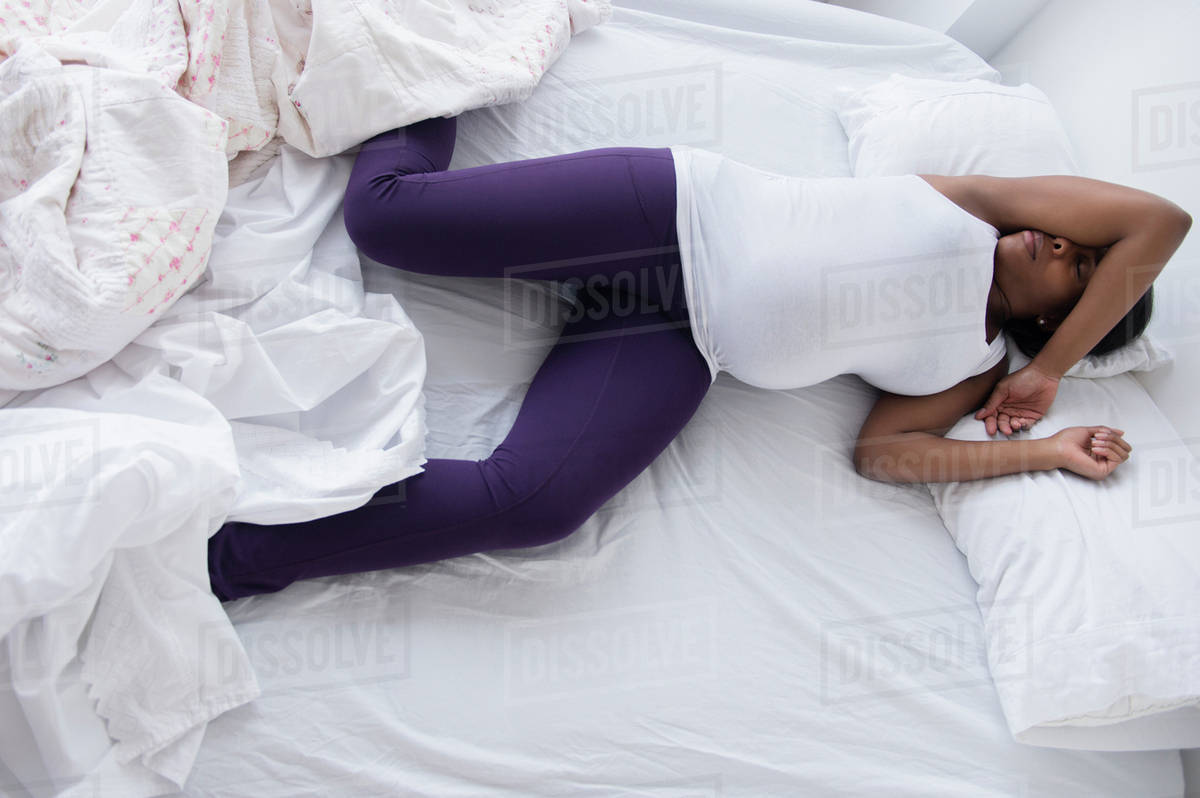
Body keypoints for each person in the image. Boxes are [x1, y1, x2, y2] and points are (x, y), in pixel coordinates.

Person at [206, 114, 1192, 602]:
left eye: (1083, 270)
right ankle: (423, 58)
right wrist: (1053, 370)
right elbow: (1161, 218)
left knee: (540, 505)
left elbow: (886, 457)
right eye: (1077, 241)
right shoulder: (985, 207)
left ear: (1078, 311)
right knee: (387, 223)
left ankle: (227, 557)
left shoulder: (969, 373)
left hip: (682, 340)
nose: (1064, 245)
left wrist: (1044, 447)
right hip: (665, 218)